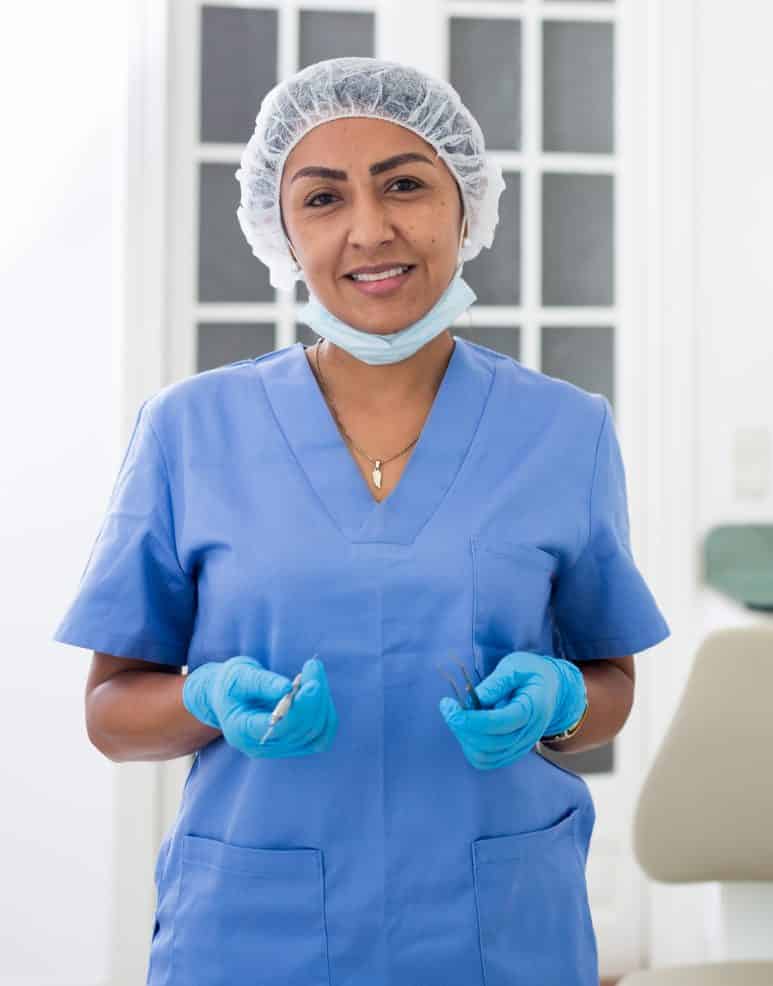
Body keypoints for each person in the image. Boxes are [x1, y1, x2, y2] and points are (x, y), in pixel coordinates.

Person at [54, 57, 669, 986]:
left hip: (496, 929)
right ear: (281, 228)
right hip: (258, 929)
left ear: (464, 204)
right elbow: (111, 713)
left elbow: (611, 683)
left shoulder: (565, 430)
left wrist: (562, 700)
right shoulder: (189, 430)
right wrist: (207, 698)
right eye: (323, 198)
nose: (370, 231)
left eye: (405, 186)